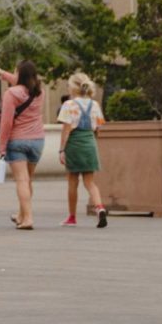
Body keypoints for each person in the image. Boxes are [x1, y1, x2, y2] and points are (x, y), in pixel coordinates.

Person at [0, 60, 47, 230]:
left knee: (21, 180)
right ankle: (22, 215)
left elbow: (6, 123)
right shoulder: (40, 92)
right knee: (28, 180)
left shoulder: (11, 94)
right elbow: (19, 82)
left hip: (17, 141)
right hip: (37, 141)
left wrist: (2, 146)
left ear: (19, 74)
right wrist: (1, 72)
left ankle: (28, 219)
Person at [58, 72, 110, 228]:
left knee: (72, 182)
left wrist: (61, 150)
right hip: (89, 143)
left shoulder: (69, 105)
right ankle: (100, 208)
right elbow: (98, 129)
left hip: (74, 144)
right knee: (90, 182)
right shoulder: (95, 105)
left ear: (73, 88)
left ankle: (72, 217)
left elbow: (66, 130)